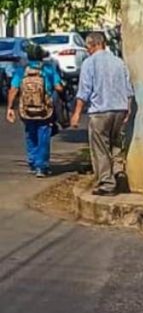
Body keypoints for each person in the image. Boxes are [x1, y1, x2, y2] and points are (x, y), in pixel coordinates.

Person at [71, 31, 134, 196]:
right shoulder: (119, 62)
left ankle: (107, 183)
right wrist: (128, 109)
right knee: (116, 145)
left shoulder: (89, 63)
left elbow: (84, 90)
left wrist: (77, 113)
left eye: (88, 47)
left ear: (94, 45)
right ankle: (119, 173)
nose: (87, 50)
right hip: (119, 110)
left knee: (100, 148)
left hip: (100, 111)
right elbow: (128, 89)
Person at [6, 43, 64, 177]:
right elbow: (59, 88)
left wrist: (10, 108)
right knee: (43, 135)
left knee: (30, 134)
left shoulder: (22, 71)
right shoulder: (48, 70)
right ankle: (41, 166)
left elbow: (13, 89)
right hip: (44, 110)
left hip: (26, 110)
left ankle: (32, 162)